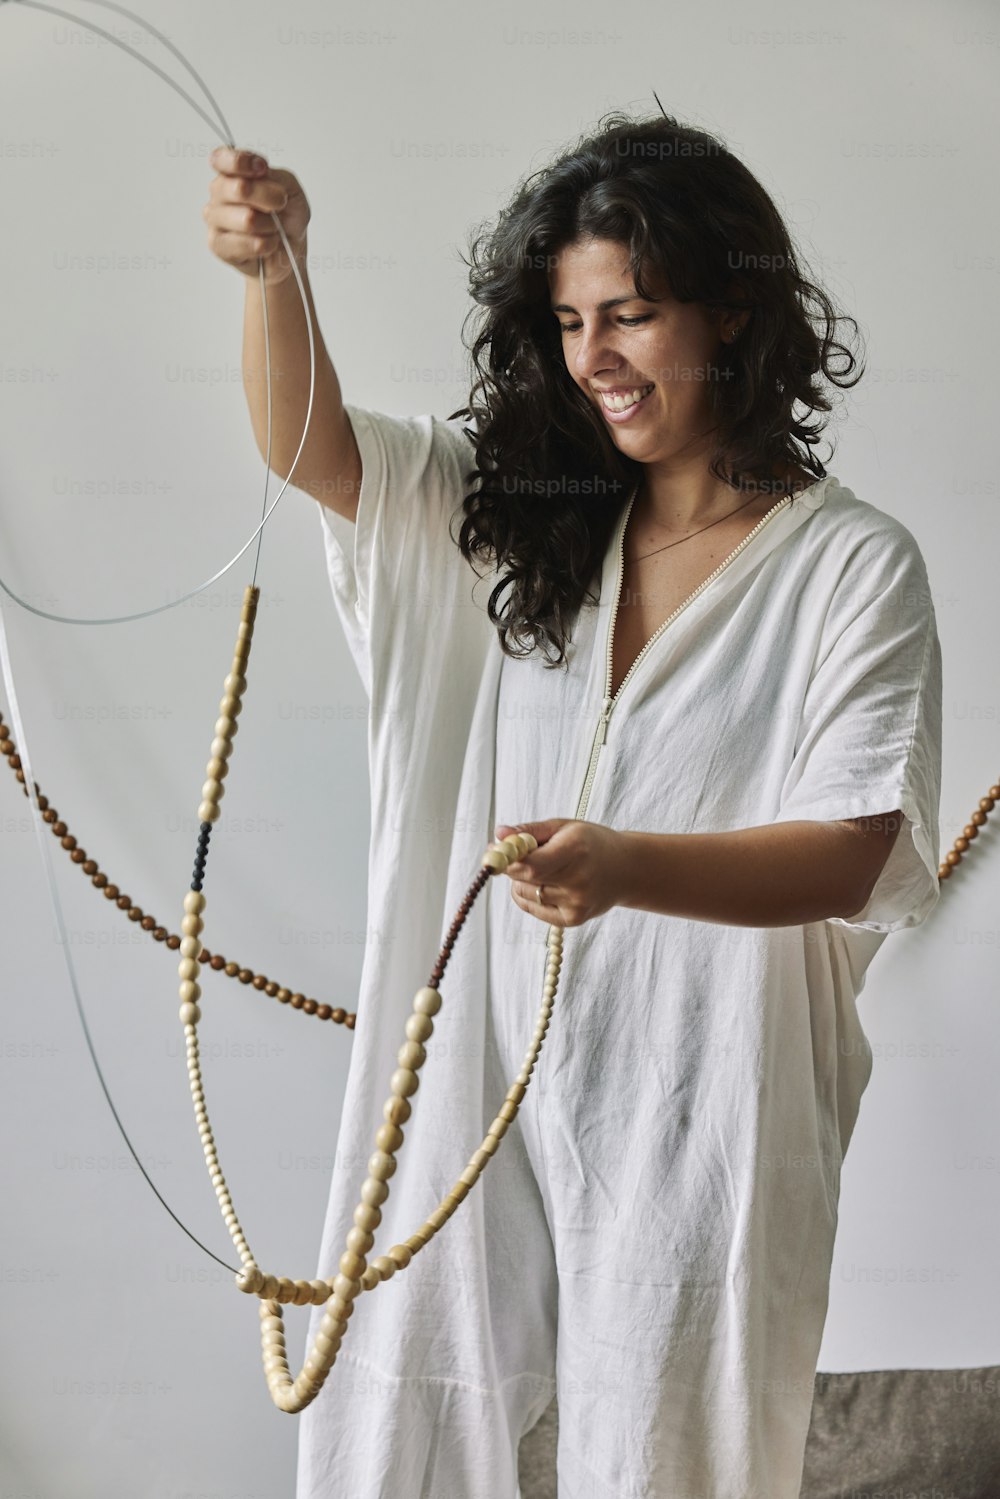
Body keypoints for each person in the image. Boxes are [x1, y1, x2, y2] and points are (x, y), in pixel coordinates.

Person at [205, 108, 942, 1499]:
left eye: (634, 315)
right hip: (477, 1074)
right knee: (407, 1426)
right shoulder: (523, 509)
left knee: (672, 1456)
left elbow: (860, 848)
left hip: (701, 1106)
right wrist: (272, 274)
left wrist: (625, 866)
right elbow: (314, 452)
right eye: (568, 320)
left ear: (734, 312)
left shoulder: (850, 567)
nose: (594, 358)